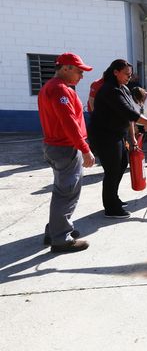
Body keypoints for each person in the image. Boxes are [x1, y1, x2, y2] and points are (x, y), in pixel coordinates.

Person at [89, 59, 147, 219]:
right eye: (126, 74)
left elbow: (130, 115)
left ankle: (113, 198)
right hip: (105, 136)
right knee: (112, 170)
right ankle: (110, 207)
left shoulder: (123, 88)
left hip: (118, 134)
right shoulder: (110, 90)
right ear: (115, 72)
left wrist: (131, 138)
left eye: (130, 75)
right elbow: (130, 114)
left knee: (122, 164)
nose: (128, 78)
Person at [38, 52, 95, 253]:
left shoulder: (50, 88)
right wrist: (85, 149)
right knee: (67, 193)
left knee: (61, 190)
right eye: (79, 71)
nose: (81, 76)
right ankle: (61, 238)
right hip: (65, 148)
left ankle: (54, 230)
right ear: (65, 68)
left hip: (55, 146)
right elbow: (69, 122)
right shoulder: (60, 90)